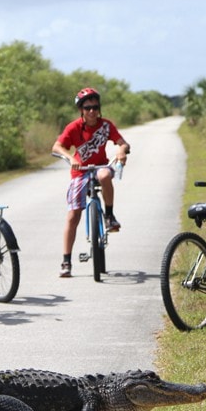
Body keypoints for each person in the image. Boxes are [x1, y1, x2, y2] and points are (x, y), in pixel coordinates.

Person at [52, 87, 130, 278]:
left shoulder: (106, 125)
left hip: (100, 167)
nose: (92, 111)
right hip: (80, 172)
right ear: (81, 110)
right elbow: (57, 146)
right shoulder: (73, 128)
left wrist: (121, 150)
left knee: (104, 176)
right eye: (88, 108)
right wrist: (71, 158)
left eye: (95, 107)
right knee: (73, 215)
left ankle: (109, 216)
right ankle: (66, 260)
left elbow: (123, 142)